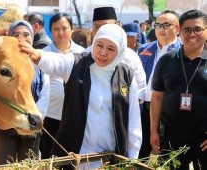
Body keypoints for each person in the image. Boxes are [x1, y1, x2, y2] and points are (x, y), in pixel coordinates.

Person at [19, 23, 142, 169]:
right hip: (73, 155)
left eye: (110, 49)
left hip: (108, 158)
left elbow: (133, 121)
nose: (102, 53)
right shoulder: (77, 63)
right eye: (99, 45)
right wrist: (38, 55)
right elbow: (56, 61)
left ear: (120, 51)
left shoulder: (127, 76)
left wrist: (132, 159)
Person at [150, 9, 207, 169]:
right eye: (187, 30)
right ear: (180, 32)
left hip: (204, 138)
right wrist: (153, 131)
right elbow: (157, 97)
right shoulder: (167, 60)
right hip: (171, 136)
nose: (192, 34)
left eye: (198, 29)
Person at [0, 20, 50, 165]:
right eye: (16, 34)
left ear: (33, 37)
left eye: (26, 34)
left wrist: (35, 117)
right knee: (4, 165)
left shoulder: (40, 60)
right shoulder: (0, 62)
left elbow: (46, 91)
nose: (21, 38)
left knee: (30, 165)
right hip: (4, 124)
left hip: (31, 123)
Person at [39, 12, 84, 159]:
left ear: (71, 29)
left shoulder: (82, 54)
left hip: (74, 117)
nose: (60, 33)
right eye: (56, 29)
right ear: (50, 31)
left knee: (72, 157)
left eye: (64, 28)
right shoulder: (42, 55)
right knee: (48, 156)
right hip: (50, 116)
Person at [137, 10, 181, 159]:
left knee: (168, 156)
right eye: (158, 25)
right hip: (144, 109)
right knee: (140, 153)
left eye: (166, 25)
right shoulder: (144, 49)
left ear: (177, 28)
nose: (161, 29)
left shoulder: (184, 51)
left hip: (169, 111)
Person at [84, 7, 147, 104]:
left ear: (118, 26)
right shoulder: (84, 56)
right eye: (96, 26)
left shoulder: (130, 57)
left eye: (105, 25)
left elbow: (140, 88)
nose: (102, 30)